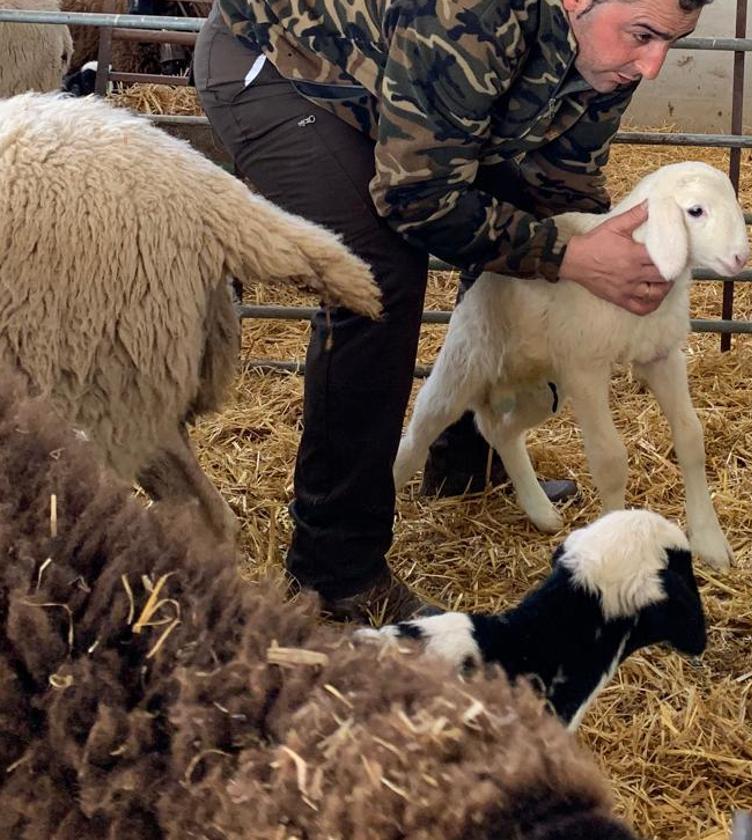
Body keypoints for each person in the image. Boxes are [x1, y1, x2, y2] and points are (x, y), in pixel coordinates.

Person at [193, 0, 711, 624]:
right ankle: (335, 572)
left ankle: (468, 458)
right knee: (374, 275)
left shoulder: (611, 55)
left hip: (403, 81)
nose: (653, 66)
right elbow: (416, 197)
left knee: (530, 232)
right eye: (644, 36)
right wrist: (571, 256)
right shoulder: (474, 12)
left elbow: (558, 187)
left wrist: (583, 246)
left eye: (670, 43)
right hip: (281, 68)